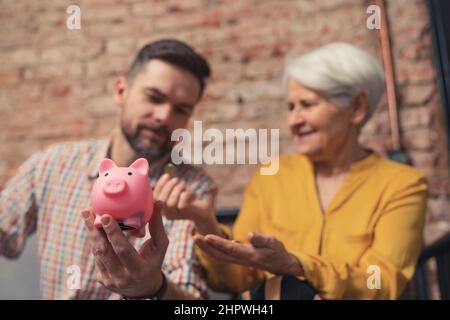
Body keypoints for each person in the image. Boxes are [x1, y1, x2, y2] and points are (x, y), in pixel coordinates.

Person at [173, 43, 428, 299]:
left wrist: (298, 266)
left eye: (307, 104)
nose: (294, 121)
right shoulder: (272, 176)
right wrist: (206, 222)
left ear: (357, 107)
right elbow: (235, 279)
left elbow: (380, 283)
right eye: (291, 107)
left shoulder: (403, 184)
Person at [0, 39, 218, 300]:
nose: (163, 116)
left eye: (181, 110)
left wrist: (154, 288)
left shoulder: (190, 192)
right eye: (153, 97)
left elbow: (192, 302)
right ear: (121, 91)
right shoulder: (52, 165)